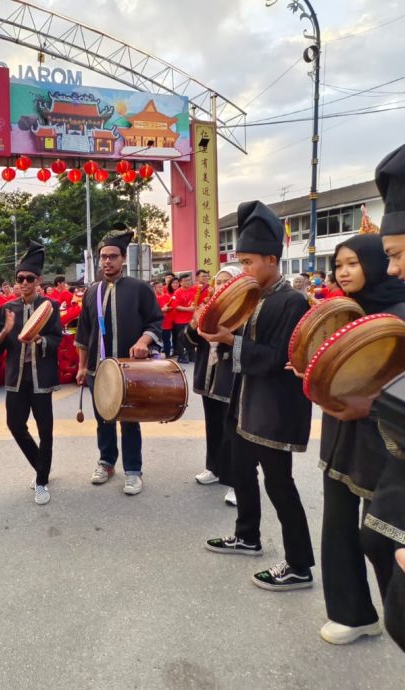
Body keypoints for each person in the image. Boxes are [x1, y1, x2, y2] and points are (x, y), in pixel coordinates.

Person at [202, 200, 315, 591]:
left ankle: (299, 565)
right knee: (240, 471)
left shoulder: (292, 301)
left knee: (279, 484)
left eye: (249, 262)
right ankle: (247, 537)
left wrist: (231, 340)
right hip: (242, 400)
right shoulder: (250, 297)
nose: (243, 270)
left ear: (271, 259)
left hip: (273, 408)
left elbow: (275, 358)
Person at [303, 234, 405, 644]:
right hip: (340, 429)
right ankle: (352, 612)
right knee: (337, 522)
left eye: (352, 264)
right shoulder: (344, 314)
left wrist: (368, 405)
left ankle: (396, 618)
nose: (343, 272)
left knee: (380, 534)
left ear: (375, 264)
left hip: (385, 440)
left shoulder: (399, 312)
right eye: (339, 265)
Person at [75, 225, 163, 495]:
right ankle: (106, 461)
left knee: (129, 419)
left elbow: (156, 322)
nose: (108, 261)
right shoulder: (92, 292)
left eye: (113, 256)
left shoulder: (139, 289)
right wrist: (81, 366)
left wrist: (143, 341)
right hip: (97, 369)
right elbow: (84, 332)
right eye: (103, 257)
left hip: (129, 370)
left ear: (123, 259)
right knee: (103, 419)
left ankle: (134, 471)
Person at [0, 241, 63, 505]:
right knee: (15, 425)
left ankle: (41, 481)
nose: (23, 283)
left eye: (28, 278)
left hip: (41, 377)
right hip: (16, 378)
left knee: (46, 430)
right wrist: (6, 331)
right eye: (19, 278)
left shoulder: (50, 307)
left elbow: (57, 338)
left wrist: (40, 341)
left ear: (38, 280)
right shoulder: (7, 309)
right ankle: (41, 466)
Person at [186, 266, 241, 506]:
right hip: (208, 378)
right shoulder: (209, 308)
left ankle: (237, 482)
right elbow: (189, 341)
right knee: (213, 426)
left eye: (227, 282)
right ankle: (214, 468)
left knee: (233, 432)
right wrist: (193, 324)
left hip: (232, 379)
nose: (221, 287)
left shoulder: (245, 311)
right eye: (219, 282)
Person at [154, 279, 174, 358]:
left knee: (167, 340)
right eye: (158, 287)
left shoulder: (167, 296)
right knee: (157, 340)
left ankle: (168, 355)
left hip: (166, 322)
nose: (161, 289)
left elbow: (172, 307)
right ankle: (156, 355)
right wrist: (162, 309)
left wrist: (168, 308)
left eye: (161, 287)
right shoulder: (153, 297)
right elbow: (153, 309)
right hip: (157, 323)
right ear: (155, 288)